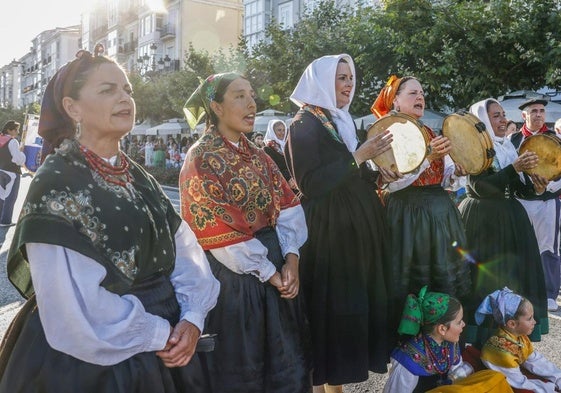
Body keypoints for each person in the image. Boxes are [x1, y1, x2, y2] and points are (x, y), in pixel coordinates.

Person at [0, 48, 220, 392]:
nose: (124, 98)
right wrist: (159, 333)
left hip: (170, 343)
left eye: (127, 90)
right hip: (97, 361)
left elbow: (184, 250)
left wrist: (192, 318)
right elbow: (73, 304)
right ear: (72, 107)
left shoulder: (137, 176)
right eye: (108, 90)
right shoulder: (56, 181)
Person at [180, 72, 311, 393]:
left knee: (287, 365)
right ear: (216, 107)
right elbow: (220, 233)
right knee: (244, 369)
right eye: (239, 95)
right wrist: (270, 272)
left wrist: (292, 260)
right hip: (235, 282)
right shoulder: (201, 158)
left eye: (251, 94)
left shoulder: (259, 156)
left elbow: (289, 208)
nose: (251, 103)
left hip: (277, 271)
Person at [286, 54, 395, 393]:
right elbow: (311, 183)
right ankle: (329, 386)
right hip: (328, 231)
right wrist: (359, 157)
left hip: (354, 227)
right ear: (320, 82)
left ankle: (331, 385)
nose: (349, 84)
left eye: (350, 78)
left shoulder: (340, 119)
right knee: (333, 307)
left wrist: (377, 172)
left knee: (349, 305)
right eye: (340, 78)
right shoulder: (303, 123)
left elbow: (350, 173)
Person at [371, 75, 471, 305]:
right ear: (395, 101)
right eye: (413, 93)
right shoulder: (388, 131)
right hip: (408, 214)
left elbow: (443, 179)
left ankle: (442, 331)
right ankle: (411, 335)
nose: (420, 97)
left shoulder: (429, 131)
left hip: (440, 213)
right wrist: (428, 157)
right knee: (411, 279)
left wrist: (456, 173)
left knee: (442, 277)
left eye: (422, 94)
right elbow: (393, 183)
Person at [459, 98, 548, 345]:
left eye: (502, 115)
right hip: (483, 222)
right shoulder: (474, 147)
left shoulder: (506, 147)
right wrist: (514, 169)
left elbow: (518, 189)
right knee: (488, 280)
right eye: (496, 116)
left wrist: (537, 189)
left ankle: (510, 340)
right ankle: (483, 343)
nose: (503, 120)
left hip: (510, 220)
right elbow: (479, 187)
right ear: (483, 121)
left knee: (513, 277)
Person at [384, 286, 512, 392]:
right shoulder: (408, 360)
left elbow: (456, 370)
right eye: (459, 322)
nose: (463, 325)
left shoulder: (449, 343)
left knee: (495, 377)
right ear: (442, 329)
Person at [509, 98, 561, 312]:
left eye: (541, 111)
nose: (539, 115)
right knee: (518, 244)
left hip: (547, 202)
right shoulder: (513, 140)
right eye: (534, 111)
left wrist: (548, 186)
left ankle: (549, 293)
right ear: (524, 116)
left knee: (548, 247)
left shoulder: (555, 139)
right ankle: (518, 288)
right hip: (521, 200)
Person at [476, 287, 561, 392]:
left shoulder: (519, 337)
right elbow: (519, 383)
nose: (534, 322)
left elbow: (535, 360)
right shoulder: (502, 351)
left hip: (513, 374)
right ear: (512, 324)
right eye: (529, 318)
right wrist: (549, 389)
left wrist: (558, 378)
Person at [0, 120, 25, 227]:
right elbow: (18, 159)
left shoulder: (1, 139)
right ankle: (5, 221)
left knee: (1, 196)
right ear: (9, 130)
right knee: (11, 197)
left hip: (1, 170)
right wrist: (21, 152)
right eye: (16, 129)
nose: (17, 132)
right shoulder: (13, 141)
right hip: (12, 173)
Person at [263, 119, 298, 192]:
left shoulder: (288, 145)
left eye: (284, 130)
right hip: (280, 187)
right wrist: (288, 178)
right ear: (272, 131)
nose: (282, 133)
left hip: (295, 183)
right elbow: (273, 169)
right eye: (279, 130)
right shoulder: (267, 149)